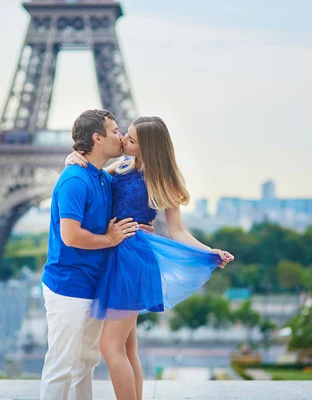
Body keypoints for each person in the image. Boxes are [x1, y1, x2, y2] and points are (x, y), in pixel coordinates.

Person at [66, 116, 234, 400]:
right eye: (125, 135)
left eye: (131, 140)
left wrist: (208, 252)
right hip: (116, 254)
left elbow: (178, 231)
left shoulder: (160, 179)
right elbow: (91, 178)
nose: (123, 141)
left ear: (148, 147)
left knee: (110, 346)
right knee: (127, 347)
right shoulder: (119, 167)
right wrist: (73, 156)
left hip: (133, 260)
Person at [40, 109, 153, 400]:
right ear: (97, 137)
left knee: (85, 364)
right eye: (115, 130)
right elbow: (70, 235)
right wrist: (110, 238)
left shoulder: (104, 177)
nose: (121, 136)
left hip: (95, 284)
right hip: (69, 285)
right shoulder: (75, 179)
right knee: (62, 365)